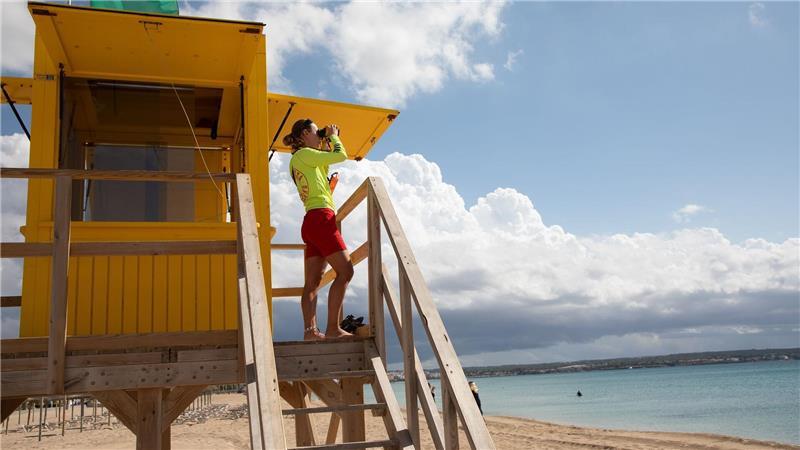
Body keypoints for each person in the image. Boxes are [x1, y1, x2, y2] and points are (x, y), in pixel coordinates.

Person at [283, 118, 354, 340]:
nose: (320, 135)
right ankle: (333, 328)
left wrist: (322, 142)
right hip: (322, 219)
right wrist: (333, 136)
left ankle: (310, 332)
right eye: (316, 132)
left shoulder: (299, 159)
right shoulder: (304, 155)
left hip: (311, 221)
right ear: (305, 133)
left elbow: (325, 166)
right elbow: (341, 155)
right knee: (346, 271)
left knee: (312, 283)